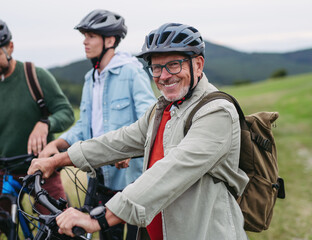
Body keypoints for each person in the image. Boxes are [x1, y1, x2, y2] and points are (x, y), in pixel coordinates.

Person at [28, 23, 249, 240]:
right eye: (156, 67)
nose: (163, 76)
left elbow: (172, 171)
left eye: (173, 64)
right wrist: (58, 161)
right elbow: (119, 141)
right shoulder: (163, 108)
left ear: (198, 64)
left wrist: (99, 219)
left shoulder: (216, 112)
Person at [38, 9, 156, 240]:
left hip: (132, 181)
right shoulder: (90, 78)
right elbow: (84, 125)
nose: (85, 42)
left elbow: (149, 117)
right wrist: (57, 144)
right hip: (100, 178)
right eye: (85, 36)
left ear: (110, 40)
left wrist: (130, 151)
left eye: (91, 36)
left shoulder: (132, 71)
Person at [0, 18, 74, 219]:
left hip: (43, 167)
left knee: (58, 226)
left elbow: (66, 112)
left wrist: (46, 124)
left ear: (10, 47)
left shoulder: (36, 76)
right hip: (2, 170)